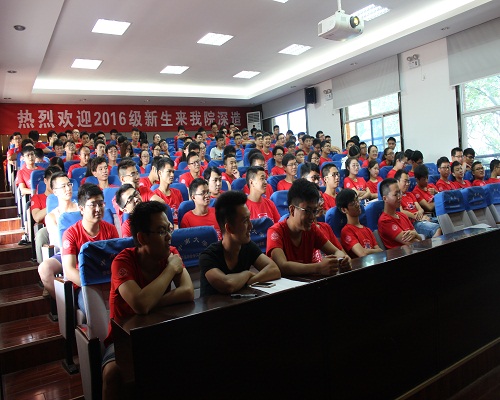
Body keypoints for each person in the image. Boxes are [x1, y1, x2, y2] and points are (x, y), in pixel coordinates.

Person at [102, 201, 194, 399]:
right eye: (161, 231)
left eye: (168, 229)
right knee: (113, 375)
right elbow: (141, 305)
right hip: (124, 340)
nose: (169, 236)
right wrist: (170, 270)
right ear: (142, 238)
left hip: (159, 331)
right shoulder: (122, 262)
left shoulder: (171, 253)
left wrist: (148, 301)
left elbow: (188, 292)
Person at [199, 191, 281, 296]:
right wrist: (247, 274)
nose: (251, 226)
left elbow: (274, 269)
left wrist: (249, 280)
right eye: (245, 221)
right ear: (229, 228)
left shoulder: (248, 246)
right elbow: (227, 285)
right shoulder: (208, 256)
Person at [266, 179, 351, 276]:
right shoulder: (276, 231)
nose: (312, 217)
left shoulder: (312, 229)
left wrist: (343, 259)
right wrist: (318, 268)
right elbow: (282, 266)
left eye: (314, 211)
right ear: (292, 210)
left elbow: (336, 251)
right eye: (307, 211)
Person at [61, 184, 119, 312]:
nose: (98, 209)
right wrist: (93, 284)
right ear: (81, 209)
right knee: (95, 309)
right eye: (93, 205)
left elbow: (118, 260)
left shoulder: (110, 229)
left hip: (108, 281)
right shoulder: (70, 234)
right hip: (85, 285)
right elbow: (69, 270)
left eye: (101, 204)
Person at [336, 188, 383, 258]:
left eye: (357, 200)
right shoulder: (347, 231)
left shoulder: (367, 229)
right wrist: (372, 251)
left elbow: (380, 251)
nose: (358, 204)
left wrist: (367, 251)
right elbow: (362, 254)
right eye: (353, 203)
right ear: (344, 210)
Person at [395, 170, 442, 238]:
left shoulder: (410, 194)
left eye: (408, 181)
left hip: (422, 219)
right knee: (437, 229)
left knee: (445, 222)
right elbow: (401, 211)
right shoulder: (397, 197)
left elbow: (420, 209)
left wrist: (420, 213)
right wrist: (416, 217)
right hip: (413, 223)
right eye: (405, 181)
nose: (407, 184)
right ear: (397, 182)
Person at [378, 178, 422, 249]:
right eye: (396, 194)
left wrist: (416, 234)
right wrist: (416, 236)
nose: (400, 197)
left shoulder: (402, 215)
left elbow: (420, 241)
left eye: (400, 192)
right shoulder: (385, 221)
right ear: (385, 198)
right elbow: (414, 242)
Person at [153, 158, 183, 225]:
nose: (172, 175)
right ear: (160, 173)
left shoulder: (178, 193)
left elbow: (182, 215)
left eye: (173, 172)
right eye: (169, 171)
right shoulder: (155, 196)